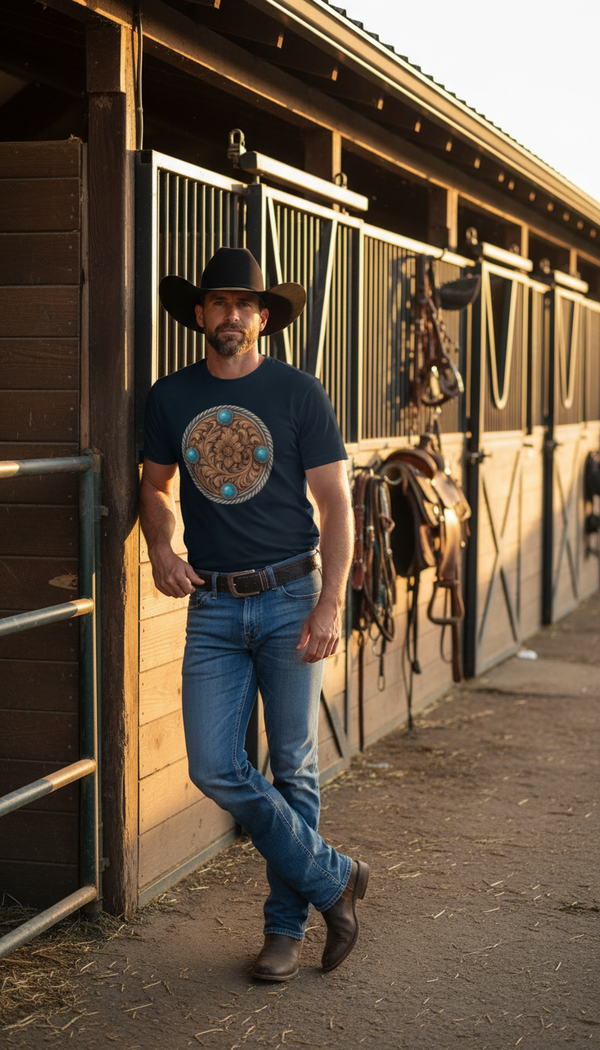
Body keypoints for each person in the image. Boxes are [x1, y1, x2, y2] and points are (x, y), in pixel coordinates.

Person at [139, 247, 368, 982]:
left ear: (263, 318)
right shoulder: (170, 396)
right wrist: (160, 548)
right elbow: (154, 486)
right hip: (211, 603)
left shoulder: (300, 393)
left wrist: (332, 601)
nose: (230, 314)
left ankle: (284, 929)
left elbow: (337, 505)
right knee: (213, 763)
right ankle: (334, 877)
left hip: (292, 596)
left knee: (294, 765)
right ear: (199, 315)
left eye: (245, 304)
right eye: (218, 303)